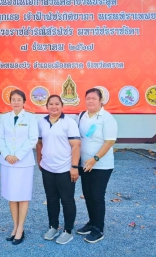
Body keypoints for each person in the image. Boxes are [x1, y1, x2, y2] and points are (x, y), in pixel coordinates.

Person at [36, 95, 80, 245]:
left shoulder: (69, 122)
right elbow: (40, 143)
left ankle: (68, 230)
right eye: (51, 104)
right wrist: (39, 161)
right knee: (52, 200)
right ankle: (53, 227)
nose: (54, 107)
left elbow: (76, 145)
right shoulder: (42, 122)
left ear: (62, 106)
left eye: (57, 104)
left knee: (67, 201)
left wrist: (74, 167)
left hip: (65, 169)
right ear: (46, 106)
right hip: (48, 169)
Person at [76, 88, 118, 244]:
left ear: (101, 101)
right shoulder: (82, 116)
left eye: (93, 98)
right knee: (87, 195)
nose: (90, 101)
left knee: (97, 196)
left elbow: (109, 141)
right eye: (88, 98)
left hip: (101, 165)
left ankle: (98, 229)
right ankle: (92, 222)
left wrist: (95, 158)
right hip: (84, 164)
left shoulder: (107, 118)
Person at [0, 89, 38, 245]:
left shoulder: (31, 118)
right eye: (13, 99)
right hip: (7, 162)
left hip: (24, 162)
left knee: (23, 195)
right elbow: (0, 138)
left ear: (24, 101)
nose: (16, 102)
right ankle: (14, 227)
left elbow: (32, 139)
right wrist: (7, 155)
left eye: (19, 99)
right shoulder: (4, 118)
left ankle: (21, 228)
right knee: (11, 195)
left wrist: (18, 155)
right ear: (10, 101)